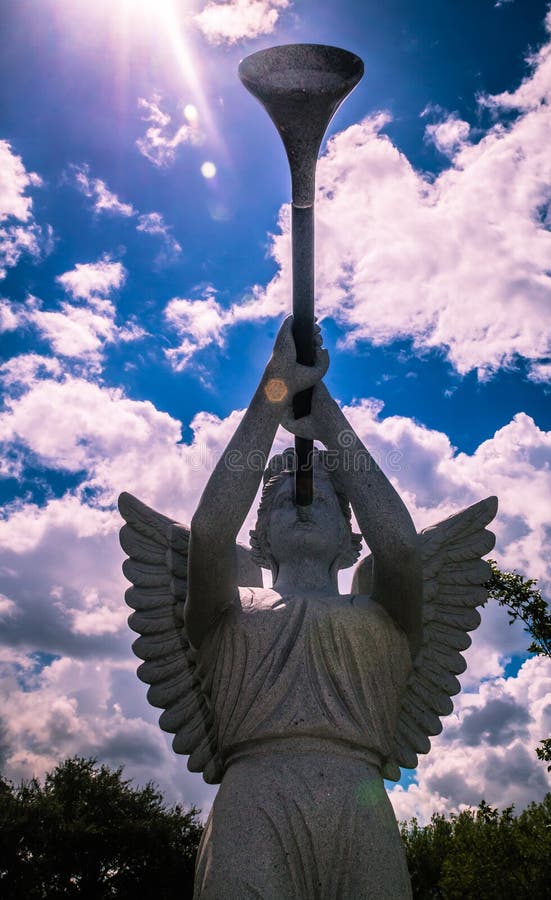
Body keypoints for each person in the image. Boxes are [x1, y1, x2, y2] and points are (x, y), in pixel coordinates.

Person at [186, 317, 420, 898]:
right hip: (254, 798)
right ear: (260, 536)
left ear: (352, 536)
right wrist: (275, 389)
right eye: (282, 500)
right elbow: (208, 532)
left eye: (322, 501)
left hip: (357, 800)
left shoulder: (382, 612)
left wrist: (328, 418)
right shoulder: (230, 608)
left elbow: (403, 547)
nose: (302, 499)